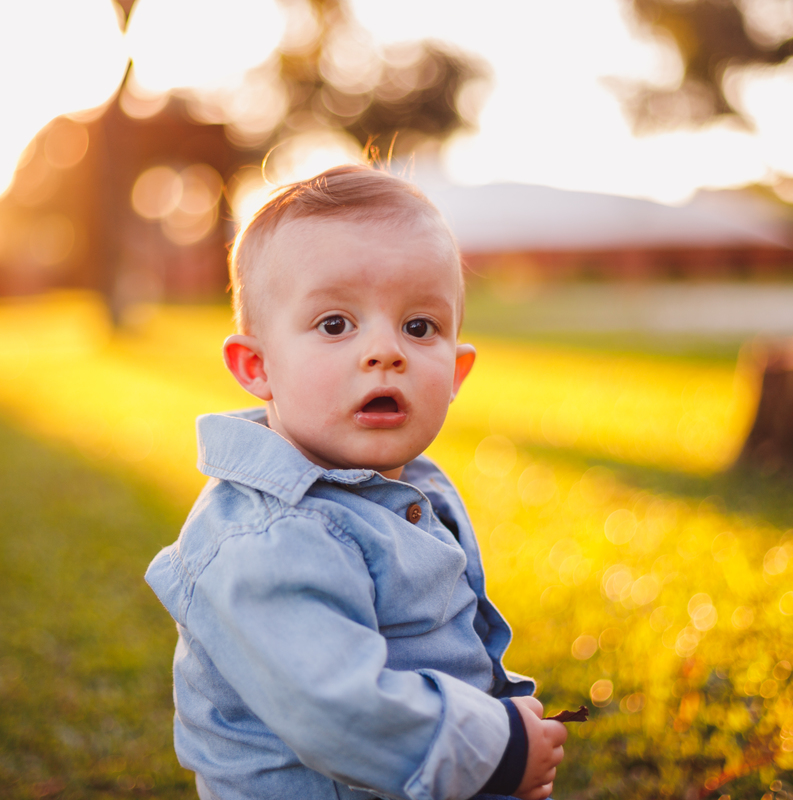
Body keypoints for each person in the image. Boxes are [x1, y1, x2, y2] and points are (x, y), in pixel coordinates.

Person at [145, 164, 567, 800]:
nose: (385, 351)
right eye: (336, 324)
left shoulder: (410, 485)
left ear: (456, 371)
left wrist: (497, 714)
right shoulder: (267, 538)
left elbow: (444, 642)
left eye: (419, 327)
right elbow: (338, 710)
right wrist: (497, 748)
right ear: (257, 366)